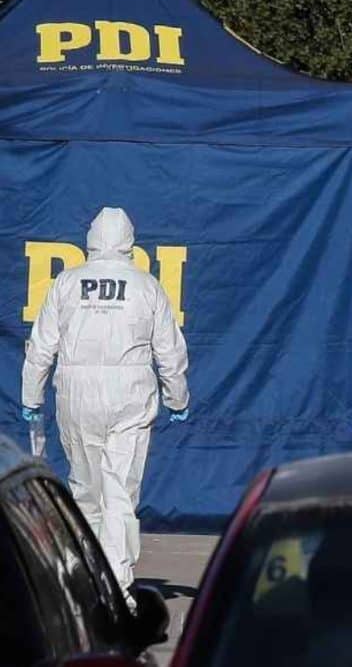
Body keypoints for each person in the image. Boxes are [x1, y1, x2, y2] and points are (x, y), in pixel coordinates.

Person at [21, 207, 189, 598]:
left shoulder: (66, 282)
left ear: (91, 240)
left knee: (84, 489)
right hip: (129, 395)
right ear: (130, 241)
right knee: (120, 493)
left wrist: (32, 396)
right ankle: (117, 583)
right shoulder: (146, 285)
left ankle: (85, 577)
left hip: (75, 395)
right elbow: (169, 351)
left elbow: (42, 347)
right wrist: (176, 396)